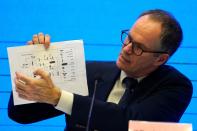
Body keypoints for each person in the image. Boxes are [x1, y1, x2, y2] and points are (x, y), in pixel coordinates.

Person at [8, 9, 193, 131]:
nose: (126, 48)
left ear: (160, 58)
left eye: (138, 47)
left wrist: (59, 97)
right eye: (128, 38)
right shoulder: (92, 72)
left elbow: (131, 122)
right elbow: (21, 115)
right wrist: (33, 68)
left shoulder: (175, 87)